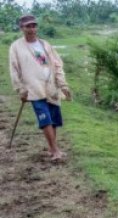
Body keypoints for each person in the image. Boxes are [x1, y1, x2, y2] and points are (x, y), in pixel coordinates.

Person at [9, 14, 72, 162]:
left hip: (51, 86)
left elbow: (57, 64)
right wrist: (20, 89)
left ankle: (52, 148)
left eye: (33, 25)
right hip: (33, 89)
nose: (31, 29)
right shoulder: (16, 47)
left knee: (53, 119)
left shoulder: (45, 44)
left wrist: (62, 84)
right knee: (45, 119)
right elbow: (14, 68)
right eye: (28, 26)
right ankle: (55, 150)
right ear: (21, 28)